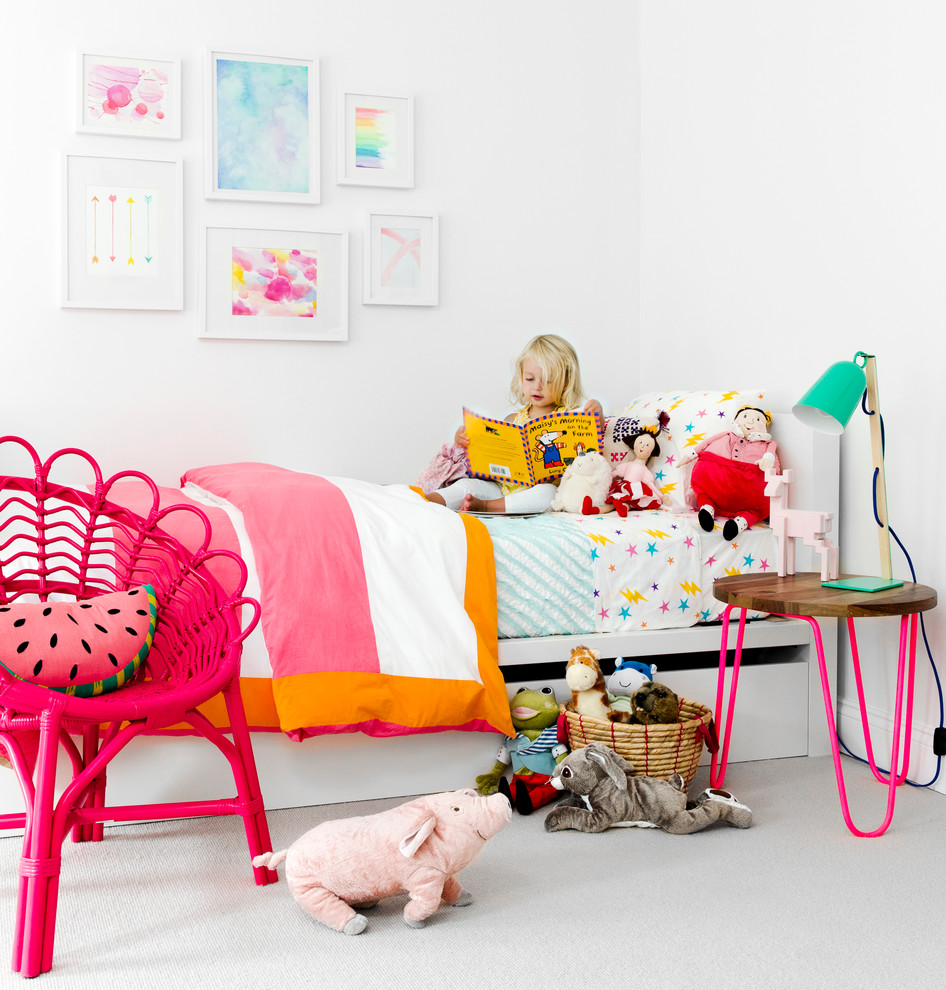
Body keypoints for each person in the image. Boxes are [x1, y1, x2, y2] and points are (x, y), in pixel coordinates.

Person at [425, 334, 603, 513]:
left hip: (537, 491)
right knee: (467, 485)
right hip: (501, 488)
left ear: (566, 383)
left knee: (548, 493)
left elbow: (594, 441)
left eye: (548, 380)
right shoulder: (512, 419)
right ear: (521, 377)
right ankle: (424, 500)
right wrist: (464, 441)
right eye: (530, 379)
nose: (537, 387)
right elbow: (490, 460)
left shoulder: (570, 416)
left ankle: (487, 507)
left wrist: (597, 414)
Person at [605, 430, 672, 516]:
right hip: (623, 487)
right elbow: (616, 473)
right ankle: (596, 510)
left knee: (629, 503)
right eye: (640, 443)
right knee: (613, 500)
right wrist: (605, 477)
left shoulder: (645, 471)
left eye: (647, 445)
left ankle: (623, 509)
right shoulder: (628, 464)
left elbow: (651, 485)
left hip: (635, 489)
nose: (643, 447)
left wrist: (661, 496)